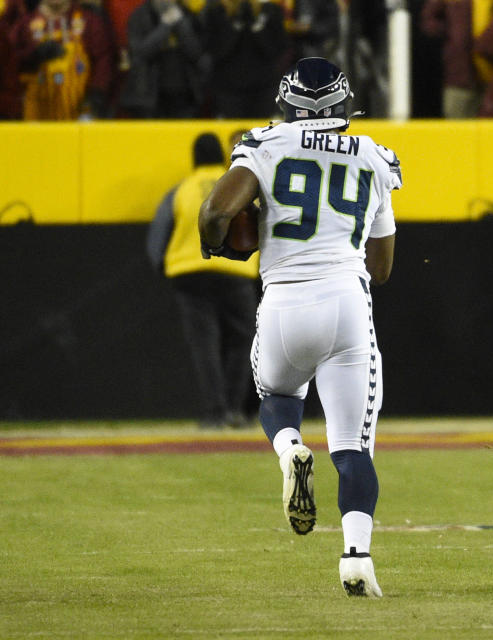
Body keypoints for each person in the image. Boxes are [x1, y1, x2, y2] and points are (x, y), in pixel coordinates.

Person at [199, 57, 400, 598]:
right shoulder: (376, 157)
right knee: (354, 448)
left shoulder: (265, 144)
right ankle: (356, 560)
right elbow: (381, 269)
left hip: (284, 300)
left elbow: (216, 210)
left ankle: (289, 450)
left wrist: (218, 241)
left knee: (276, 394)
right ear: (344, 104)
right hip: (347, 303)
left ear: (285, 101)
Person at [146, 132, 259, 429]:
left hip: (190, 277)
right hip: (235, 274)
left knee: (204, 346)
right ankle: (235, 409)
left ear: (194, 158)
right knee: (241, 341)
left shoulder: (180, 191)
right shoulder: (236, 188)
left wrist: (161, 265)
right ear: (221, 156)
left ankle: (214, 412)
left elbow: (158, 236)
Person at [11, 0, 115, 120]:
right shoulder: (24, 24)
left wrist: (96, 94)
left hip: (80, 111)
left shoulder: (89, 22)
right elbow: (10, 64)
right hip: (36, 114)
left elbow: (104, 61)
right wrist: (33, 56)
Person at [120, 0, 207, 118]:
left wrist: (181, 24)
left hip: (186, 95)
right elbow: (140, 54)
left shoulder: (187, 14)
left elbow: (197, 53)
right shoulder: (139, 16)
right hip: (150, 97)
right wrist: (165, 26)